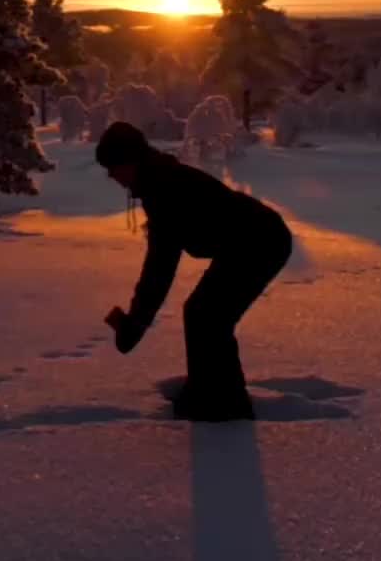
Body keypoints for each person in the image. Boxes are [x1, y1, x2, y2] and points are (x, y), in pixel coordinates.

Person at [96, 120, 292, 421]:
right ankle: (208, 393)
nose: (111, 175)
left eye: (113, 167)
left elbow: (159, 270)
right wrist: (135, 323)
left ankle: (226, 406)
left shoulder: (165, 190)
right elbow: (158, 268)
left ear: (131, 160)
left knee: (208, 315)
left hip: (261, 242)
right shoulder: (157, 183)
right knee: (202, 312)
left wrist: (135, 326)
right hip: (246, 243)